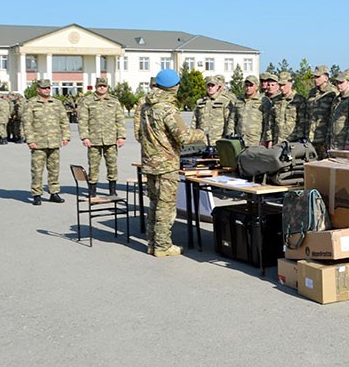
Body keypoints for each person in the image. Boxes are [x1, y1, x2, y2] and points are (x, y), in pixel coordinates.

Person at [138, 68, 206, 257]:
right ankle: (162, 246)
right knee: (165, 206)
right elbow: (183, 136)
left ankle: (152, 243)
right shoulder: (167, 108)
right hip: (166, 164)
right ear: (173, 87)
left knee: (154, 203)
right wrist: (201, 133)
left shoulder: (146, 106)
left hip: (150, 162)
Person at [23, 79, 69, 205]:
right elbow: (27, 123)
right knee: (37, 170)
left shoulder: (57, 103)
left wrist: (66, 136)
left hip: (54, 141)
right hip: (38, 142)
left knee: (54, 169)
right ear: (38, 89)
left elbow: (64, 121)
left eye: (49, 88)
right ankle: (37, 194)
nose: (47, 90)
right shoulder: (31, 103)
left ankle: (54, 192)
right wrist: (30, 140)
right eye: (44, 88)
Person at [77, 77, 126, 197]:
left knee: (112, 166)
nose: (102, 88)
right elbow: (83, 120)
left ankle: (112, 191)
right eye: (100, 86)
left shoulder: (114, 101)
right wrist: (85, 137)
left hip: (111, 139)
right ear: (96, 87)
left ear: (107, 87)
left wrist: (121, 137)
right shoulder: (88, 101)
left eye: (104, 86)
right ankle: (92, 191)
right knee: (93, 166)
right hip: (93, 140)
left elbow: (120, 119)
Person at [193, 74, 236, 143]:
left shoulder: (224, 101)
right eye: (208, 85)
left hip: (218, 141)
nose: (210, 88)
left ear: (217, 87)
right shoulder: (200, 101)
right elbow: (194, 121)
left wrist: (228, 138)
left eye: (212, 85)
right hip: (202, 141)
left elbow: (229, 122)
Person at [270, 71, 308, 145]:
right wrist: (270, 140)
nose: (281, 88)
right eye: (280, 85)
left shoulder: (299, 100)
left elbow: (302, 122)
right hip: (277, 141)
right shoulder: (275, 100)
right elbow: (271, 122)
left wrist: (300, 141)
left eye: (284, 85)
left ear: (290, 84)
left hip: (293, 141)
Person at [307, 65, 338, 156]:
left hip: (324, 137)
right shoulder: (312, 92)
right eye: (314, 77)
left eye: (318, 77)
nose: (315, 79)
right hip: (311, 137)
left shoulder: (333, 93)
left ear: (326, 78)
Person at [328, 69, 349, 152]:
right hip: (335, 141)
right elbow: (332, 120)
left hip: (345, 143)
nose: (338, 85)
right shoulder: (337, 99)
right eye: (337, 83)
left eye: (341, 83)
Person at [234, 75, 266, 147]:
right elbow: (232, 119)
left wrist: (264, 139)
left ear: (256, 87)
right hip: (239, 140)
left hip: (255, 141)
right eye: (246, 85)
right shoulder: (239, 101)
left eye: (251, 85)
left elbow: (267, 123)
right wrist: (230, 135)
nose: (248, 88)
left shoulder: (263, 101)